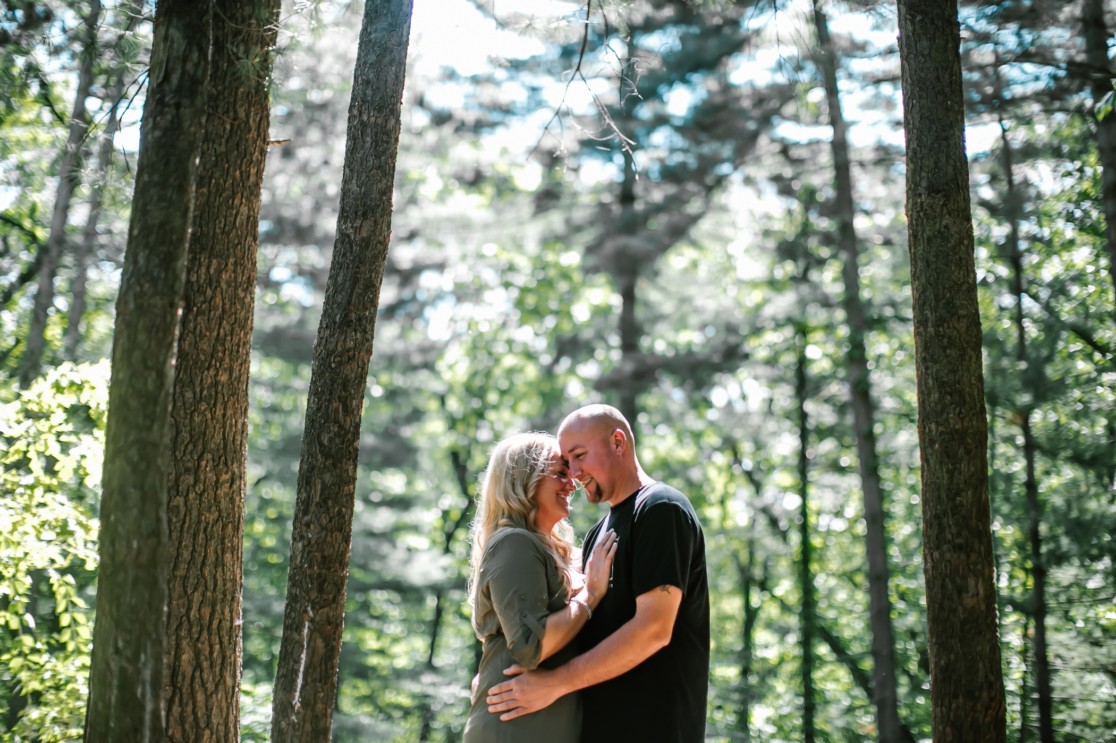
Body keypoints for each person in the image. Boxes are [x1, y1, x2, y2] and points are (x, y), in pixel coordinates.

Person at [486, 404, 710, 742]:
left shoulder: (660, 509)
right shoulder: (596, 534)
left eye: (579, 456)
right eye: (566, 463)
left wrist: (555, 683)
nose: (574, 474)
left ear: (618, 442)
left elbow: (654, 629)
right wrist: (495, 674)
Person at [464, 432, 618, 742]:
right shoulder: (514, 543)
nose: (572, 483)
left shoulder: (551, 551)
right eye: (560, 473)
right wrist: (591, 594)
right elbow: (530, 648)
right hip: (511, 730)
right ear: (524, 480)